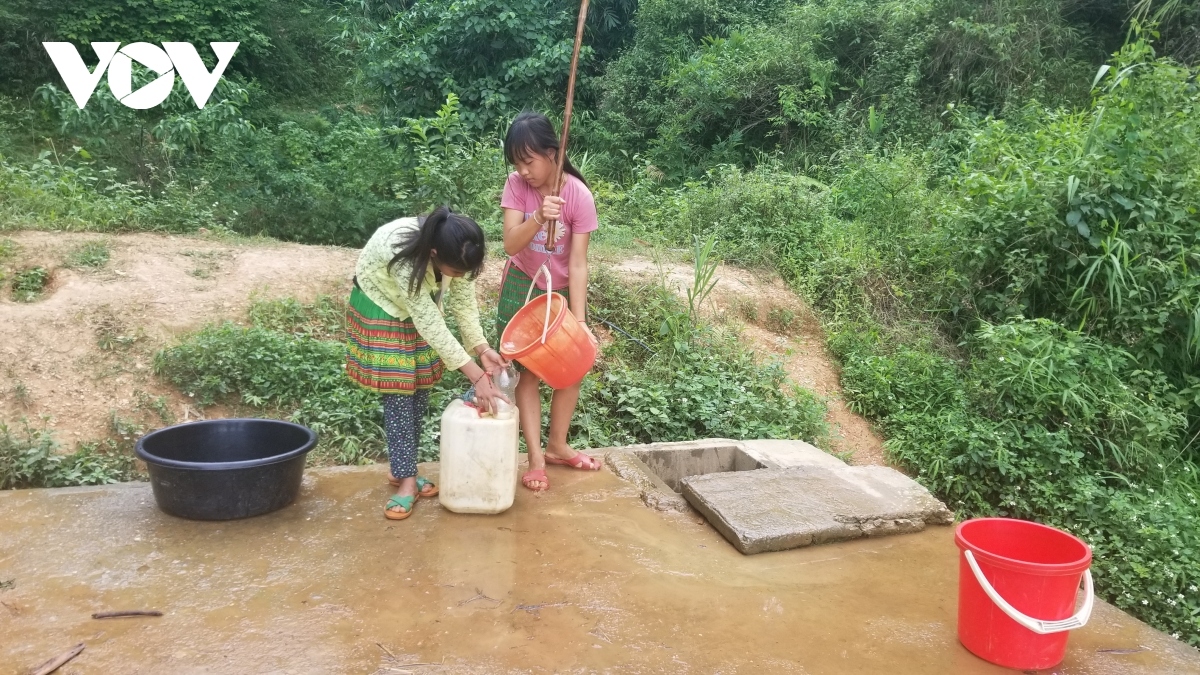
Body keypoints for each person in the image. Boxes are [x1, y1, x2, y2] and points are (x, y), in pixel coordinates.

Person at [347, 207, 507, 520]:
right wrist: (476, 376)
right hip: (384, 303)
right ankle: (407, 483)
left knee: (418, 389)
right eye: (456, 272)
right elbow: (429, 321)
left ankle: (401, 467)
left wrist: (482, 347)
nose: (459, 277)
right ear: (433, 254)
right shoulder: (403, 254)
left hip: (418, 308)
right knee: (400, 394)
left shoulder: (460, 249)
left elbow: (462, 303)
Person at [496, 111, 601, 492]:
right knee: (529, 373)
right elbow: (509, 244)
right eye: (517, 163)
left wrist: (581, 320)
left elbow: (577, 263)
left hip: (558, 296)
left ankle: (558, 444)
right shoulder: (516, 187)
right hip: (522, 288)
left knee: (573, 367)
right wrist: (539, 216)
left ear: (552, 153)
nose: (524, 171)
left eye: (530, 161)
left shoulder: (578, 195)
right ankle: (536, 457)